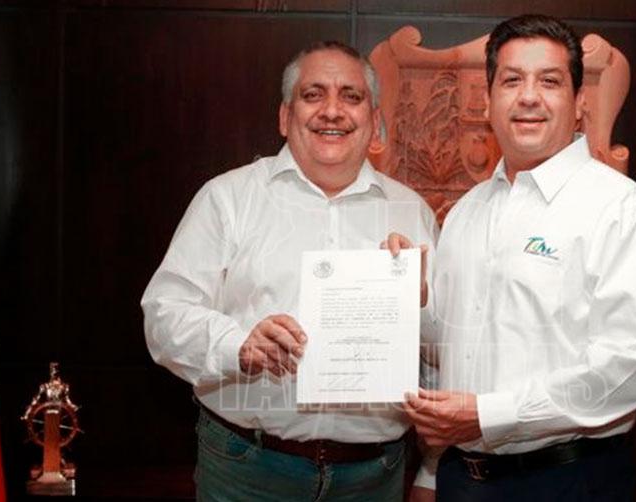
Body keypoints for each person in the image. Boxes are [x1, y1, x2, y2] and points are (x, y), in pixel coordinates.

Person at [399, 14, 636, 501]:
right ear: (488, 101)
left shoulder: (621, 209)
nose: (529, 97)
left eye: (549, 81)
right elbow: (453, 346)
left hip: (568, 480)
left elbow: (630, 368)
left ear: (579, 102)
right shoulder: (466, 212)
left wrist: (490, 415)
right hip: (462, 478)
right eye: (512, 81)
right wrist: (415, 299)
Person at [142, 41, 438, 501]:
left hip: (373, 477)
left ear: (375, 120)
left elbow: (440, 352)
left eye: (351, 96)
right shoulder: (227, 199)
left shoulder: (411, 211)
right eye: (313, 94)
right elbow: (164, 317)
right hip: (246, 470)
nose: (332, 111)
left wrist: (419, 303)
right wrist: (240, 345)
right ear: (285, 116)